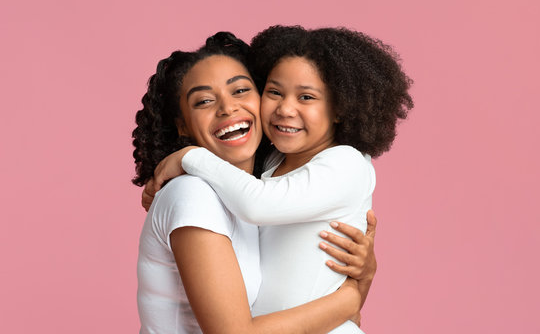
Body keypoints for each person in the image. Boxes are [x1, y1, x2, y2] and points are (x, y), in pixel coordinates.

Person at [148, 25, 413, 333]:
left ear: (340, 109)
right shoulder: (272, 162)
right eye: (274, 92)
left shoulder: (346, 163)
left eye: (306, 97)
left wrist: (188, 157)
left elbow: (256, 204)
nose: (286, 108)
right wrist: (353, 295)